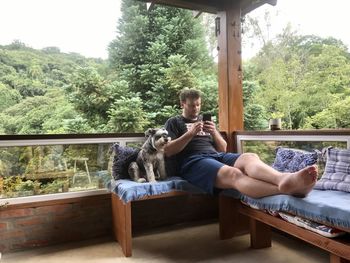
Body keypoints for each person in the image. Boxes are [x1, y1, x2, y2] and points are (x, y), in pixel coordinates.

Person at [164, 88, 317, 198]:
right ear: (182, 104)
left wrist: (214, 132)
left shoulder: (205, 122)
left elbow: (223, 148)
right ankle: (285, 189)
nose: (196, 109)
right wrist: (190, 134)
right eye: (192, 105)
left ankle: (283, 179)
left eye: (198, 104)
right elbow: (168, 151)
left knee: (249, 156)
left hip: (216, 156)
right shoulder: (173, 122)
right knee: (234, 173)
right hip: (193, 162)